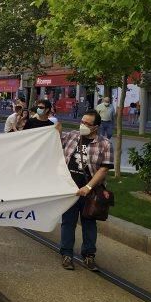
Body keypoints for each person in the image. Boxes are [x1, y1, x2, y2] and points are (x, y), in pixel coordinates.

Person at [57, 110, 113, 271]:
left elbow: (104, 169)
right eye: (82, 121)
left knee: (89, 223)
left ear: (96, 127)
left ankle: (89, 255)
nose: (83, 125)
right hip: (70, 190)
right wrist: (54, 129)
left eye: (87, 123)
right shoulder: (72, 136)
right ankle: (66, 254)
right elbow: (52, 140)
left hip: (90, 191)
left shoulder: (105, 144)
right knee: (68, 222)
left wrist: (88, 187)